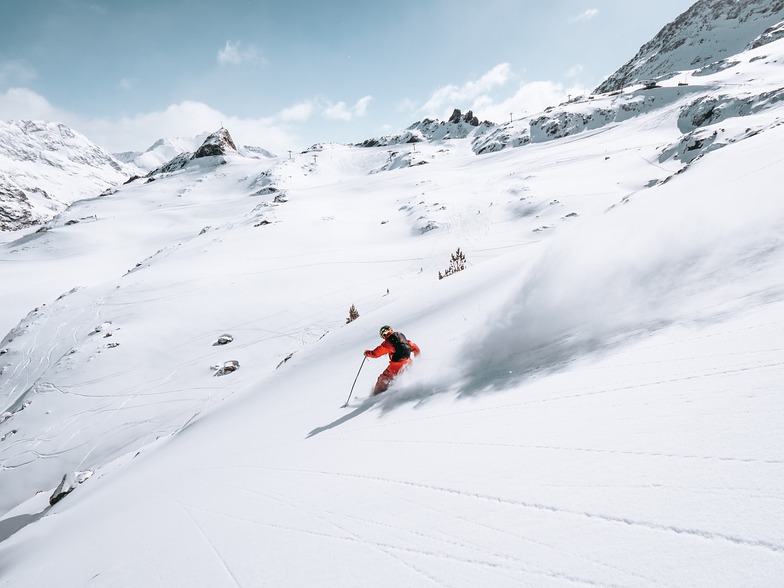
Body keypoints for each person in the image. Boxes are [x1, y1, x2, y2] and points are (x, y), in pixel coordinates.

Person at [364, 325, 421, 395]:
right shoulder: (402, 339)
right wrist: (417, 360)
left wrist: (367, 353)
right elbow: (415, 348)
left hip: (396, 366)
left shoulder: (388, 343)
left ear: (383, 334)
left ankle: (376, 396)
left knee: (383, 378)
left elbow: (375, 354)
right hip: (409, 363)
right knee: (407, 376)